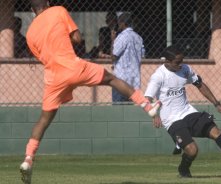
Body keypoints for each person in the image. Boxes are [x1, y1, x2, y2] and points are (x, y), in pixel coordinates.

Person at [19, 1, 161, 184]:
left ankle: (28, 158)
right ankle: (147, 106)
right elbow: (77, 38)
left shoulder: (30, 33)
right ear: (47, 3)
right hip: (73, 66)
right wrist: (64, 36)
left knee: (44, 120)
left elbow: (43, 56)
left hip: (53, 77)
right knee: (111, 79)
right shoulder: (58, 11)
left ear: (32, 10)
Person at [144, 45, 221, 178]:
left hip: (188, 112)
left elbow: (199, 84)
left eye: (182, 61)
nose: (181, 65)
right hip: (172, 120)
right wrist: (154, 115)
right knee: (192, 150)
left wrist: (217, 104)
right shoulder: (158, 76)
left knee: (217, 132)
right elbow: (147, 99)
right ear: (167, 61)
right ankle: (183, 170)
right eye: (177, 62)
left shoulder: (185, 69)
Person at [111, 12, 145, 102]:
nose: (118, 25)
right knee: (131, 109)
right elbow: (142, 55)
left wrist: (113, 40)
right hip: (134, 80)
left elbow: (114, 56)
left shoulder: (121, 37)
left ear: (122, 23)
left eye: (118, 23)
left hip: (121, 80)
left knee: (118, 109)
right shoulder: (138, 37)